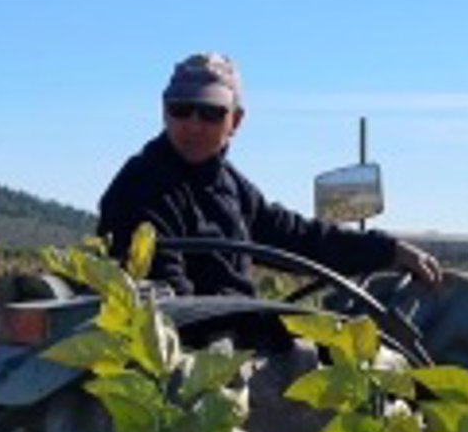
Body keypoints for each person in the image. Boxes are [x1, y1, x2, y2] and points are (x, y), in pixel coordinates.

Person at [98, 52, 442, 298]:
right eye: (181, 109)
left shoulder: (230, 186)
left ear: (236, 121)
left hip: (240, 339)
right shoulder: (141, 186)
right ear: (164, 111)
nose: (193, 124)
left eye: (210, 113)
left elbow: (299, 238)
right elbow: (168, 304)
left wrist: (389, 251)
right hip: (198, 361)